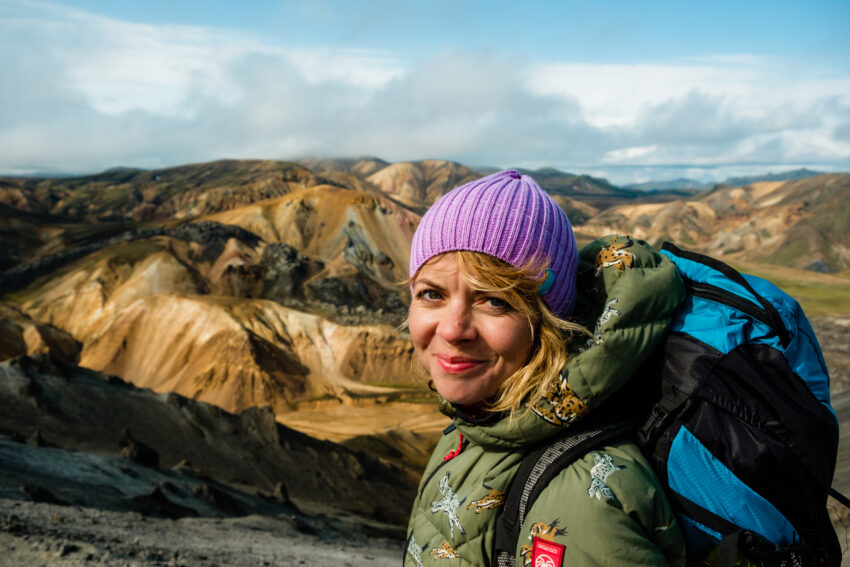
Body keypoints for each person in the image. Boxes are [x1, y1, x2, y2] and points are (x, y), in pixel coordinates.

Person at [403, 169, 687, 567]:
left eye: (495, 301)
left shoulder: (584, 502)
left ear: (549, 322)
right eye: (431, 294)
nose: (452, 329)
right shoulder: (477, 425)